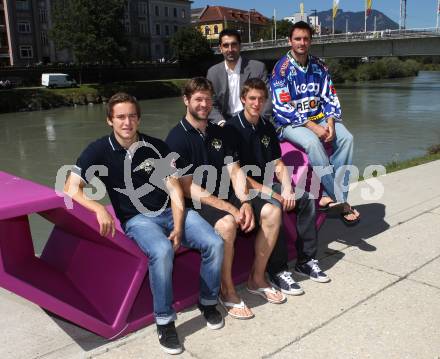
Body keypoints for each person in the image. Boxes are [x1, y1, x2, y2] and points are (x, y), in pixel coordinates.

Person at [64, 92, 224, 355]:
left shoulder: (155, 146)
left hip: (169, 210)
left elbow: (174, 189)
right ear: (109, 120)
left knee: (214, 242)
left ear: (138, 118)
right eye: (120, 117)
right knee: (161, 251)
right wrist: (98, 209)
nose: (127, 122)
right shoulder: (99, 150)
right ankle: (165, 321)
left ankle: (207, 302)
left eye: (131, 116)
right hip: (137, 220)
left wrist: (180, 225)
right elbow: (71, 187)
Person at [165, 78, 286, 320]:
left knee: (272, 211)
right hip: (197, 203)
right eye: (198, 99)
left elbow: (234, 171)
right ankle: (227, 290)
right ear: (186, 100)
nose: (204, 104)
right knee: (227, 225)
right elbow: (188, 188)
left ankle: (257, 278)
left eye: (208, 99)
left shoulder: (220, 132)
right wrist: (230, 208)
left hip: (227, 194)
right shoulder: (176, 138)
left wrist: (245, 202)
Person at [226, 78, 330, 290]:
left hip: (267, 184)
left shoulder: (267, 127)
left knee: (307, 198)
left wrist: (287, 188)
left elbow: (278, 163)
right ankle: (278, 271)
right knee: (275, 207)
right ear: (243, 99)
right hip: (242, 190)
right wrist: (272, 193)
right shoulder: (231, 129)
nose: (257, 103)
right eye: (252, 98)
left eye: (261, 99)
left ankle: (305, 261)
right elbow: (237, 174)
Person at [270, 21, 360, 225]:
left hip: (320, 117)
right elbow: (282, 108)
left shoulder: (320, 66)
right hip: (291, 123)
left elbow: (330, 97)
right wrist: (313, 127)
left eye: (306, 39)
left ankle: (333, 197)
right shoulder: (281, 70)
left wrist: (330, 122)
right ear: (289, 41)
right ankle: (340, 200)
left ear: (311, 41)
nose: (302, 43)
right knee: (312, 143)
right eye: (297, 39)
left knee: (347, 138)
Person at [207, 28, 272, 126]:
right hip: (225, 122)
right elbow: (210, 103)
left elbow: (268, 98)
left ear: (240, 46)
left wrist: (258, 121)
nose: (230, 49)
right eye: (226, 45)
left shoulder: (258, 68)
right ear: (220, 48)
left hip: (252, 119)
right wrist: (221, 122)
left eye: (234, 44)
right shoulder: (213, 73)